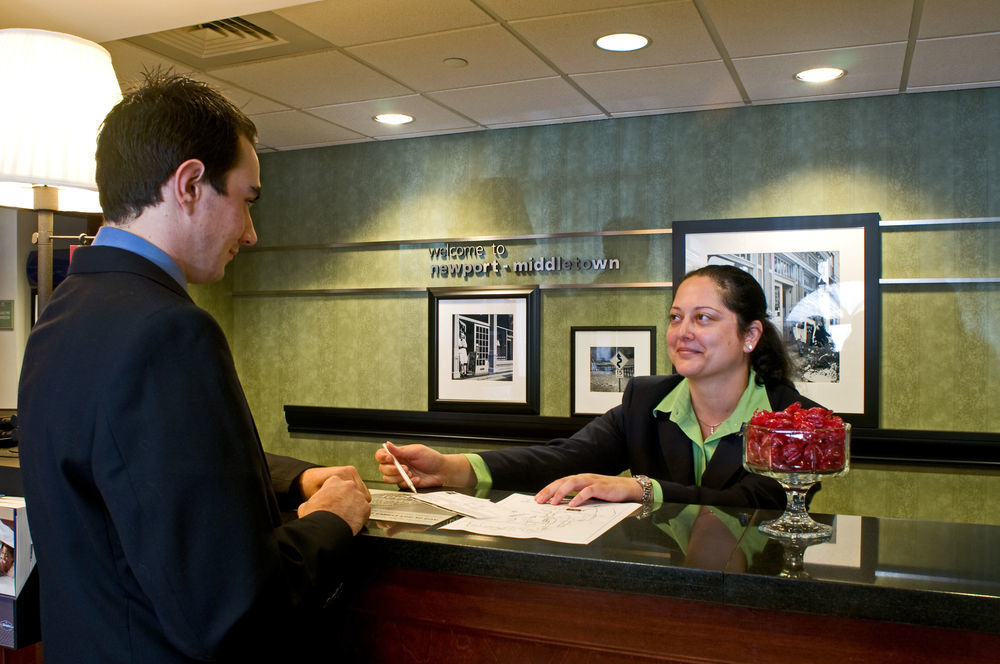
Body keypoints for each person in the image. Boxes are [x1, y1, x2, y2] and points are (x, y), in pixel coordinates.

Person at [18, 72, 371, 663]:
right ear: (189, 184)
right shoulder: (170, 331)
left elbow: (143, 474)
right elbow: (229, 608)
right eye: (247, 200)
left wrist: (290, 478)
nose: (252, 233)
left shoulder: (63, 314)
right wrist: (331, 522)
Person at [377, 264, 823, 511]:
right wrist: (456, 468)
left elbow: (761, 501)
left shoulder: (798, 421)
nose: (682, 331)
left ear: (750, 336)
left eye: (703, 318)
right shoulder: (645, 400)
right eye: (675, 316)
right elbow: (566, 457)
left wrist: (642, 489)